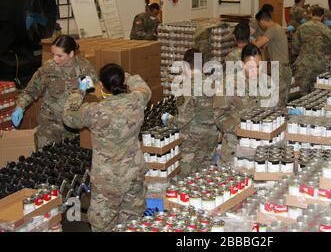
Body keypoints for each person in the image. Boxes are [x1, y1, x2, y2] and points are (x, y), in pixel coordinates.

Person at [63, 63, 151, 232]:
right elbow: (141, 86)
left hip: (108, 179)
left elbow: (68, 117)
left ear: (102, 87)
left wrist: (80, 92)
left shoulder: (94, 111)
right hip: (133, 173)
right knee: (133, 222)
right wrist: (124, 75)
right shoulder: (138, 100)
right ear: (123, 83)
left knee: (102, 225)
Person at [12, 36, 97, 149]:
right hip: (49, 127)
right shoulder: (47, 69)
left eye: (59, 55)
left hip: (74, 128)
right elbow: (30, 92)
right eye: (53, 54)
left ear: (71, 53)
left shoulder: (85, 69)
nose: (55, 59)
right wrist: (20, 106)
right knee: (44, 161)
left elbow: (93, 96)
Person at [214, 44, 277, 167]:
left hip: (260, 149)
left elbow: (273, 111)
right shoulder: (229, 84)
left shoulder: (268, 83)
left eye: (258, 66)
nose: (255, 71)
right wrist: (239, 129)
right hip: (235, 147)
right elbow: (219, 115)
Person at [170, 49, 219, 177]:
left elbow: (183, 119)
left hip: (192, 142)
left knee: (186, 179)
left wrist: (169, 120)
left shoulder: (187, 86)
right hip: (211, 137)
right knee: (205, 176)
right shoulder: (214, 84)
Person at [253, 10, 292, 106]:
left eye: (259, 24)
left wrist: (252, 41)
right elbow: (265, 45)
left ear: (261, 21)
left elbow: (257, 46)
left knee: (276, 99)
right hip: (285, 67)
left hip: (278, 67)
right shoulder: (278, 27)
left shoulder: (272, 29)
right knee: (283, 99)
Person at [293, 7, 331, 95]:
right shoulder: (326, 29)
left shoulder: (302, 27)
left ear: (311, 14)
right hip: (319, 64)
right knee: (317, 91)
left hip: (304, 63)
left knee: (301, 91)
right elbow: (329, 48)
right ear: (322, 16)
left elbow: (295, 45)